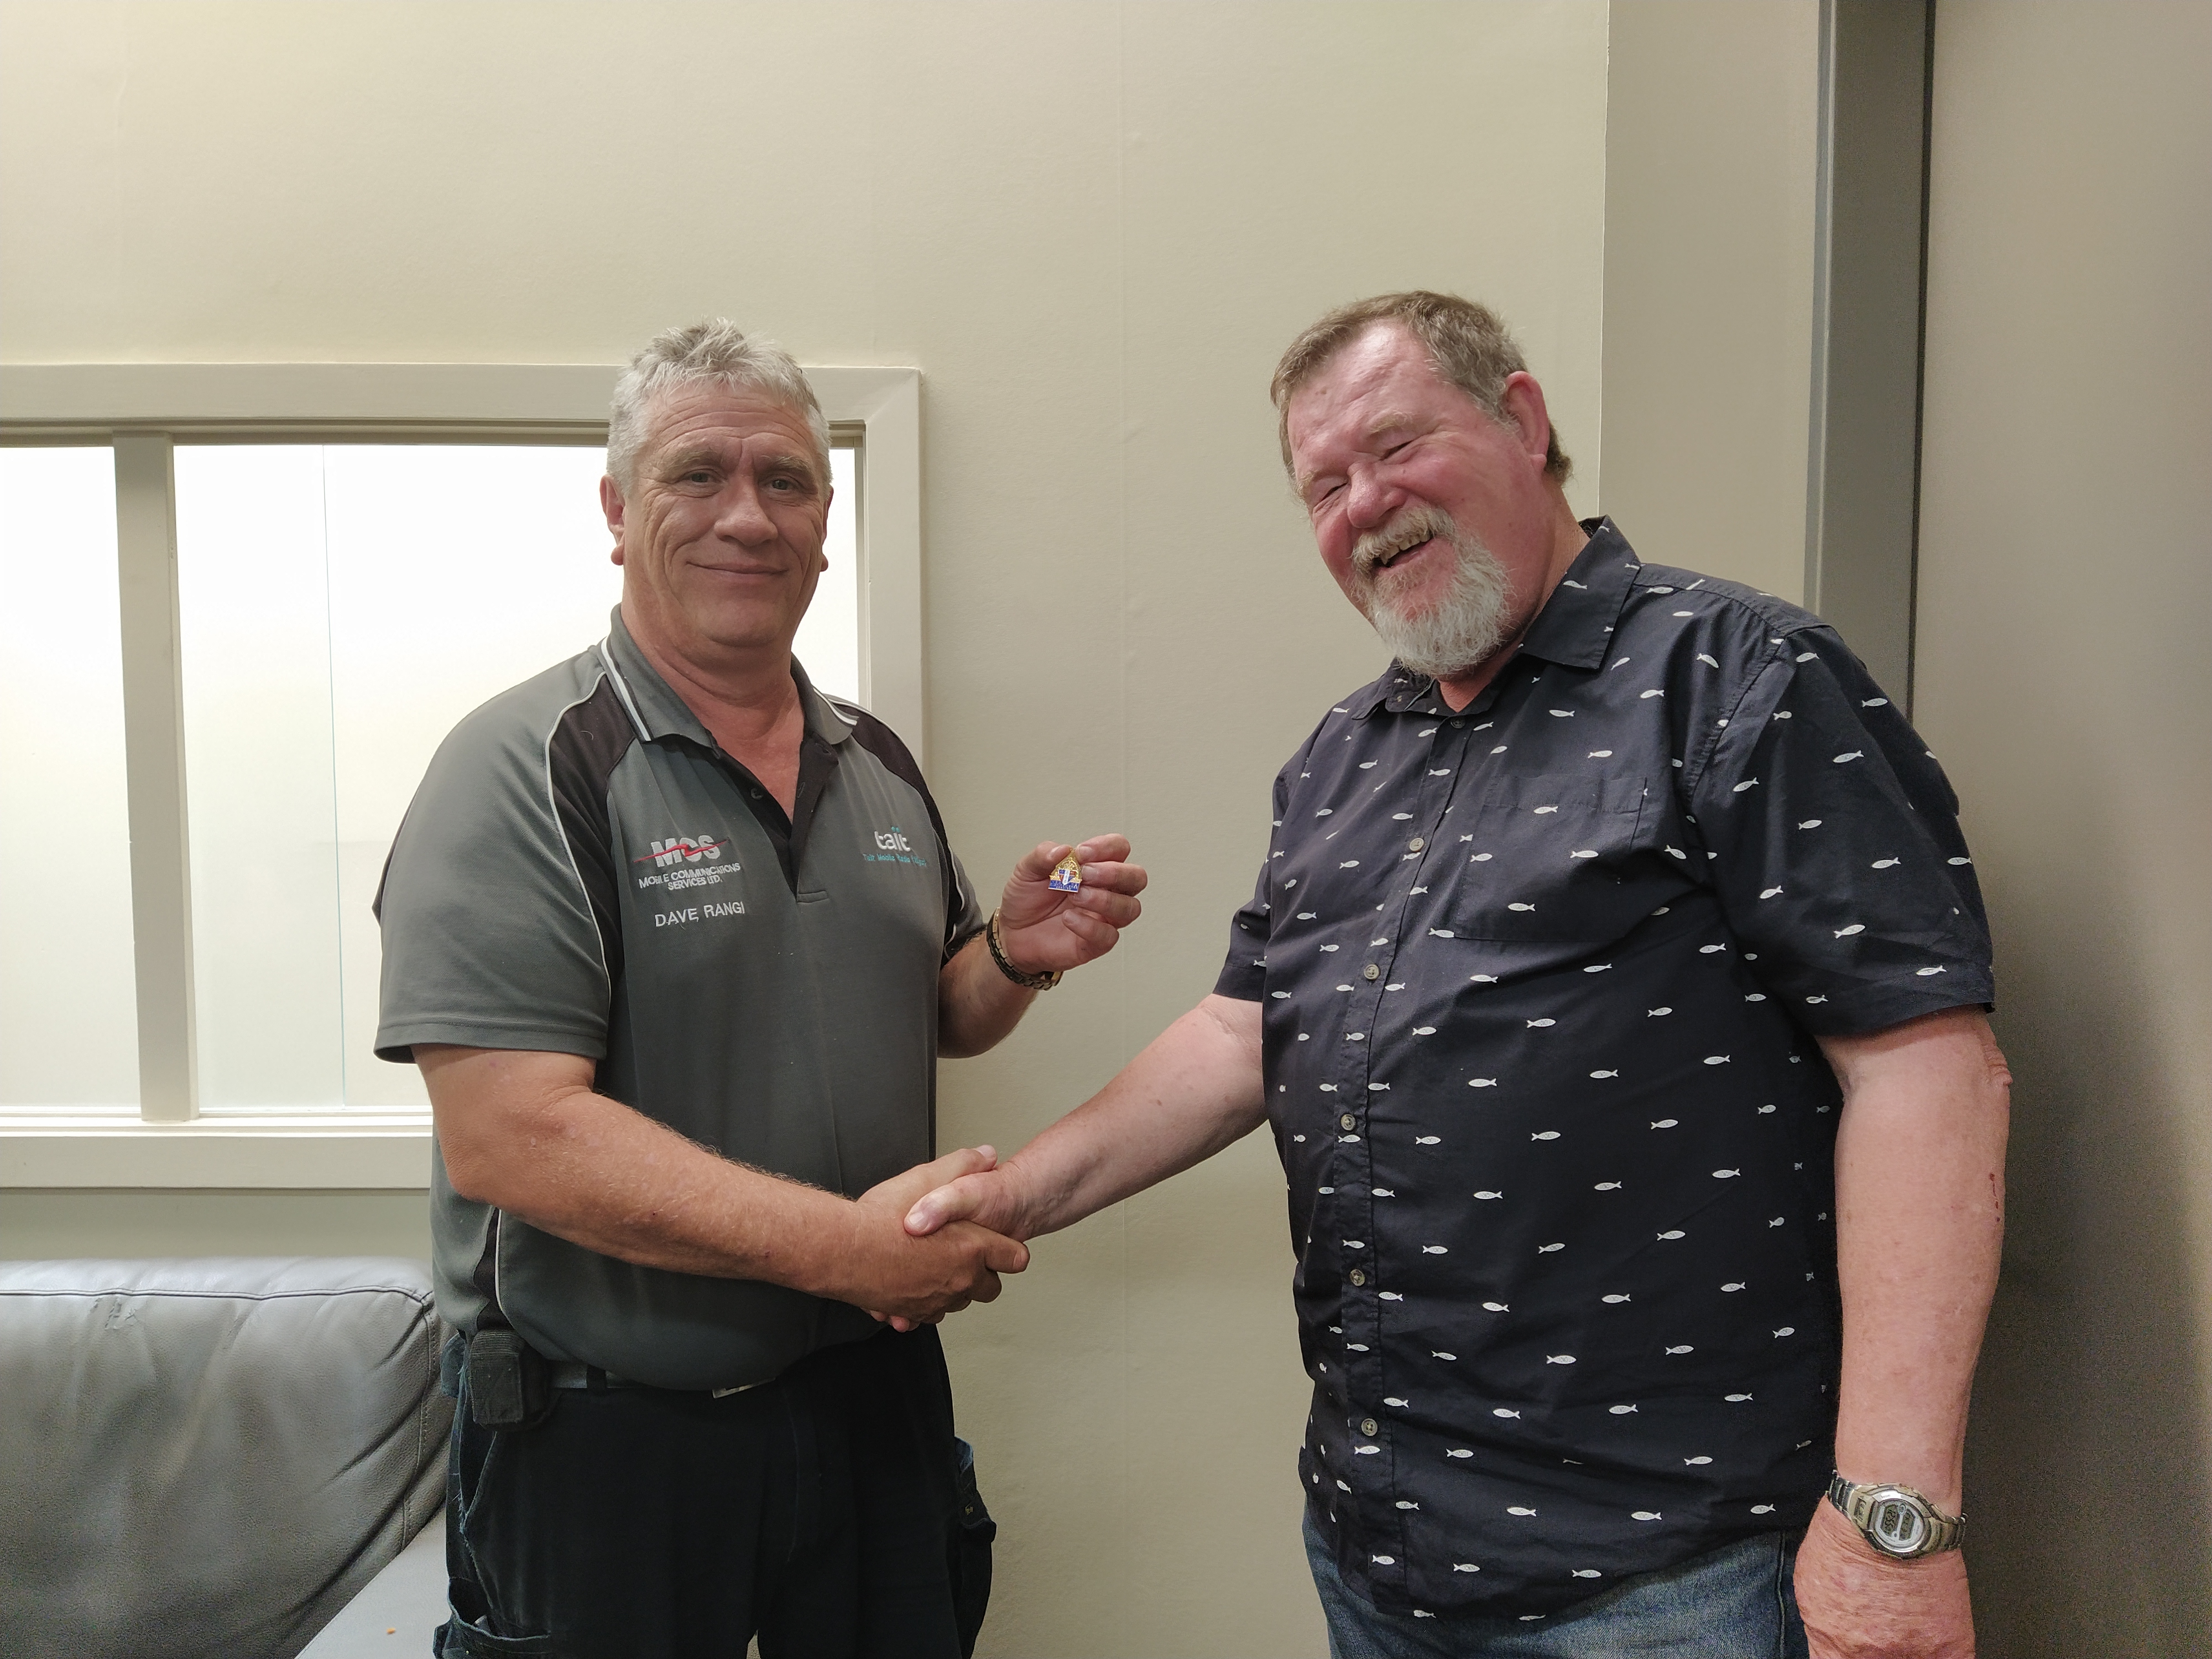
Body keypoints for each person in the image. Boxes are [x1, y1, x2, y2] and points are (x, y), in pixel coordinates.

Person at [905, 292, 2007, 1658]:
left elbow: (1925, 1070)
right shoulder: (1340, 756)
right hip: (1380, 1555)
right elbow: (1243, 1033)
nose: (1364, 506)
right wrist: (1015, 1193)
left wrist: (1894, 1517)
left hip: (1670, 1575)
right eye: (1324, 487)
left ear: (1522, 422)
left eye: (1394, 447)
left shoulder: (1736, 676)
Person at [372, 319, 1147, 1659]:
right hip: (607, 1438)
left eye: (785, 480)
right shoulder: (522, 766)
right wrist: (848, 1251)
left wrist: (1013, 957)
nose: (748, 514)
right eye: (698, 475)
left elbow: (930, 1015)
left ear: (825, 522)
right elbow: (510, 1136)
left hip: (871, 1405)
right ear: (617, 512)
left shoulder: (875, 761)